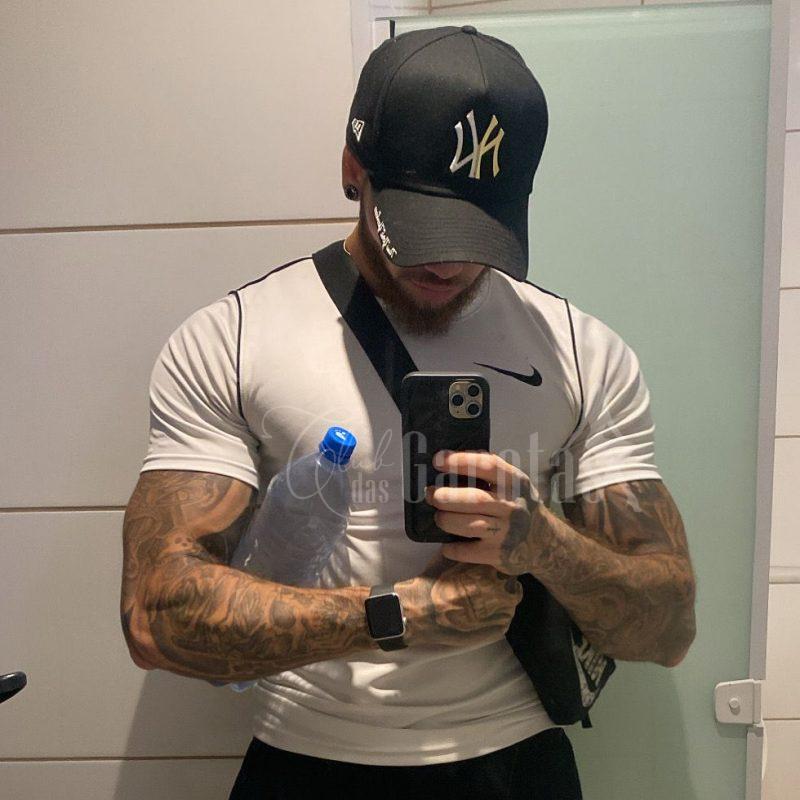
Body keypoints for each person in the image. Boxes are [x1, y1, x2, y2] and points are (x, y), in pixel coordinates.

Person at [120, 25, 697, 800]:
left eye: (477, 227)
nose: (448, 261)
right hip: (307, 759)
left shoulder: (580, 352)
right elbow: (154, 616)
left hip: (515, 763)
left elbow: (669, 627)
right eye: (420, 224)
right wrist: (394, 616)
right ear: (353, 171)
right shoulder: (234, 338)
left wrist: (542, 541)